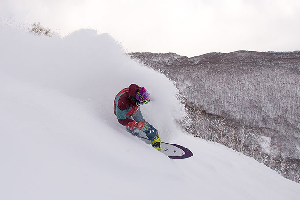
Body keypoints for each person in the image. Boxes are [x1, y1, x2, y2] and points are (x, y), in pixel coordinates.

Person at [114, 84, 161, 150]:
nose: (142, 104)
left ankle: (154, 136)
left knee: (142, 122)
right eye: (142, 102)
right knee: (132, 128)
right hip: (124, 114)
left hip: (133, 108)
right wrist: (136, 125)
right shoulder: (122, 102)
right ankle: (136, 141)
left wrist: (154, 99)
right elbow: (121, 119)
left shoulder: (138, 92)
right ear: (138, 99)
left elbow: (145, 96)